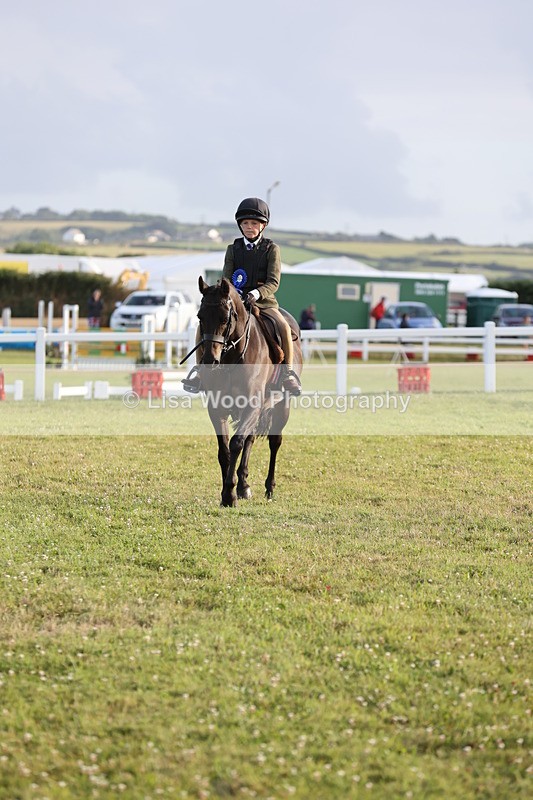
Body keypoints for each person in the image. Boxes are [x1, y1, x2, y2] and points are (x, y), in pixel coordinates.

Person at [183, 197, 301, 395]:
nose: (249, 227)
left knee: (283, 326)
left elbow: (274, 282)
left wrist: (256, 293)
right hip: (235, 303)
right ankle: (201, 373)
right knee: (203, 327)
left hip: (264, 302)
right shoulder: (233, 249)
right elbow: (226, 279)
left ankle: (287, 373)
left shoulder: (272, 249)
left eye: (254, 223)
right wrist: (233, 295)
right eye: (245, 223)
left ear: (263, 225)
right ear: (240, 225)